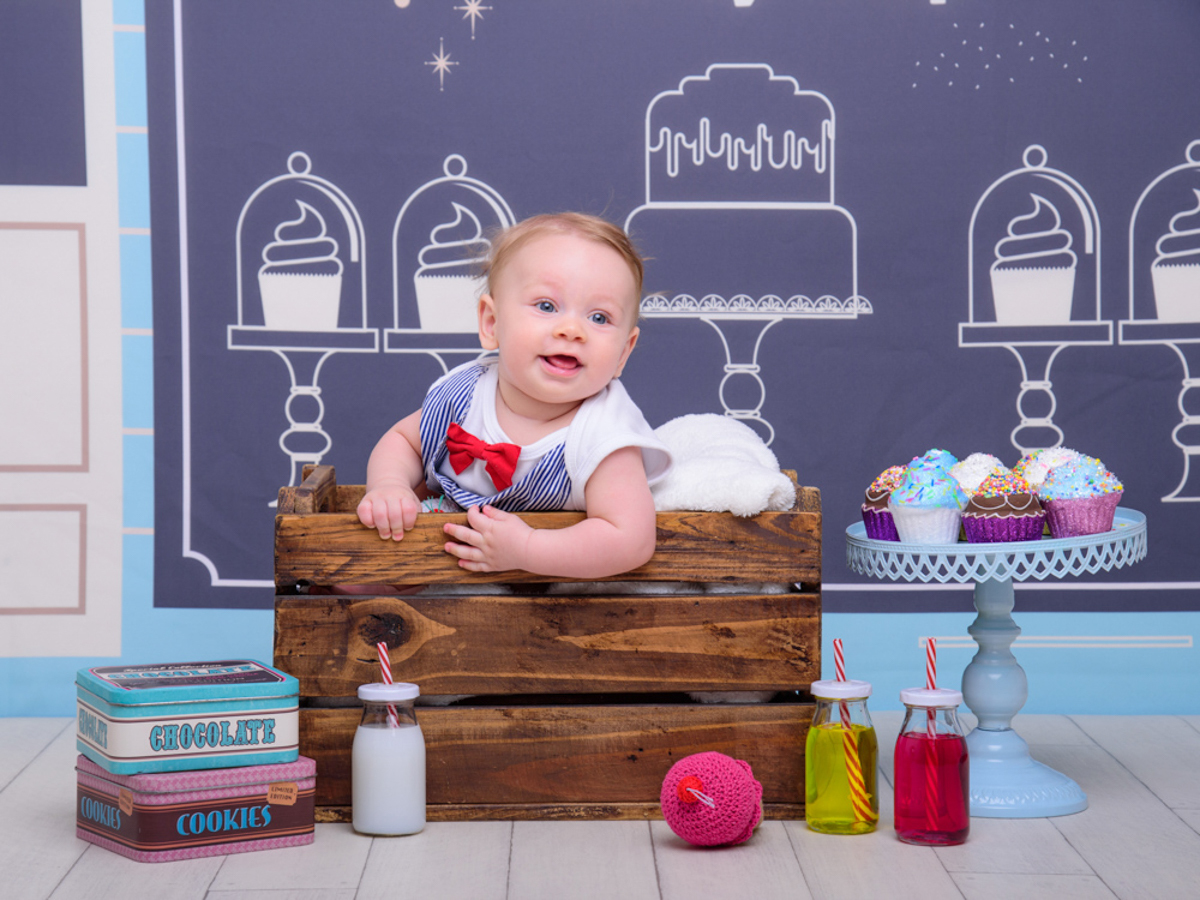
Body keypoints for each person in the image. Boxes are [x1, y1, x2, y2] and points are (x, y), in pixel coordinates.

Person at [357, 213, 672, 578]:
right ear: (492, 323)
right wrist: (389, 486)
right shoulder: (465, 393)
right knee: (355, 586)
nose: (571, 330)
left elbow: (630, 539)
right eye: (546, 306)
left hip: (536, 589)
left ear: (623, 353)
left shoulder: (603, 435)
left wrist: (526, 549)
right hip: (431, 557)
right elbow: (404, 442)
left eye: (599, 318)